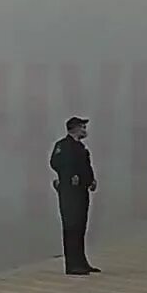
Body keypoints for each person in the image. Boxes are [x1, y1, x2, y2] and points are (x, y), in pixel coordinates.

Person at [50, 116, 99, 276]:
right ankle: (72, 265)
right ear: (74, 128)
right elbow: (55, 163)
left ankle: (81, 262)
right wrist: (68, 176)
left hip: (82, 191)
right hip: (69, 191)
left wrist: (91, 180)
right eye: (82, 127)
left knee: (80, 226)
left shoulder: (80, 148)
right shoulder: (63, 146)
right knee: (71, 226)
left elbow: (85, 166)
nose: (85, 130)